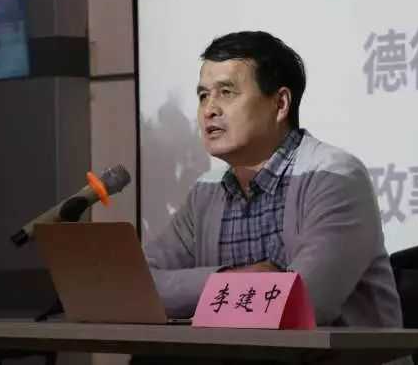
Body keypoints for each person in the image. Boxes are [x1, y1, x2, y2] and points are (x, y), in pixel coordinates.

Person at [144, 31, 403, 328]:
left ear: (280, 104)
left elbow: (300, 303)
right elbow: (139, 286)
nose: (209, 110)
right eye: (203, 96)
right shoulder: (206, 191)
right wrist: (230, 279)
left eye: (226, 92)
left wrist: (207, 293)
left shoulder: (335, 177)